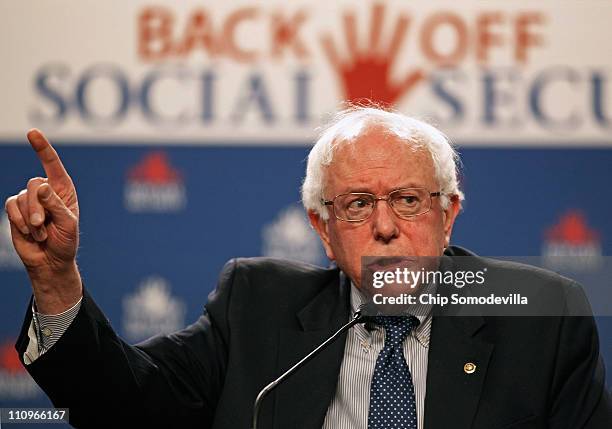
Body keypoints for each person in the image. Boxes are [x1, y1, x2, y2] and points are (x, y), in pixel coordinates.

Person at [5, 107, 611, 428]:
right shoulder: (257, 306)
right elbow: (122, 404)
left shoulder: (541, 320)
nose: (384, 226)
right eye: (356, 205)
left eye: (407, 199)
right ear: (322, 229)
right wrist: (56, 280)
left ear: (447, 215)